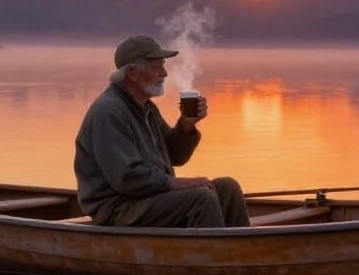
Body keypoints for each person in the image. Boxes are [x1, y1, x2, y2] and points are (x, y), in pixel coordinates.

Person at [74, 35, 250, 228]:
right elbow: (127, 178)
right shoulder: (109, 112)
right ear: (132, 72)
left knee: (227, 188)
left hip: (146, 198)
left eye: (163, 65)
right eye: (156, 67)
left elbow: (175, 156)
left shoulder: (145, 107)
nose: (165, 73)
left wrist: (186, 125)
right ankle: (211, 257)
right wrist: (176, 184)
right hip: (118, 207)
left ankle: (243, 254)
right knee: (201, 198)